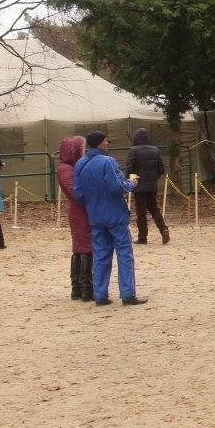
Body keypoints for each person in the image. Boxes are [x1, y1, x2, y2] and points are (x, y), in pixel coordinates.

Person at [73, 131, 147, 306]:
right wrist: (131, 184)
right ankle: (127, 294)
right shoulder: (108, 162)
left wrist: (91, 204)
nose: (108, 144)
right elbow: (117, 187)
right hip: (115, 215)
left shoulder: (80, 164)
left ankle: (100, 295)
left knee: (100, 255)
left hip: (95, 216)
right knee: (124, 253)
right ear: (100, 143)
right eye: (106, 141)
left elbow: (78, 192)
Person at [57, 136, 93, 301]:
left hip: (79, 210)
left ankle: (79, 288)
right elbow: (75, 193)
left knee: (81, 247)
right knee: (84, 246)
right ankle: (85, 288)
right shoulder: (66, 169)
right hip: (79, 211)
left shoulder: (67, 167)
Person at [125, 128, 170, 245]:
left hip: (138, 185)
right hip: (152, 185)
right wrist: (154, 177)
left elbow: (129, 168)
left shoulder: (133, 150)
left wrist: (130, 180)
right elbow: (161, 169)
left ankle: (142, 237)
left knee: (141, 212)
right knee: (154, 209)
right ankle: (163, 229)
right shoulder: (155, 150)